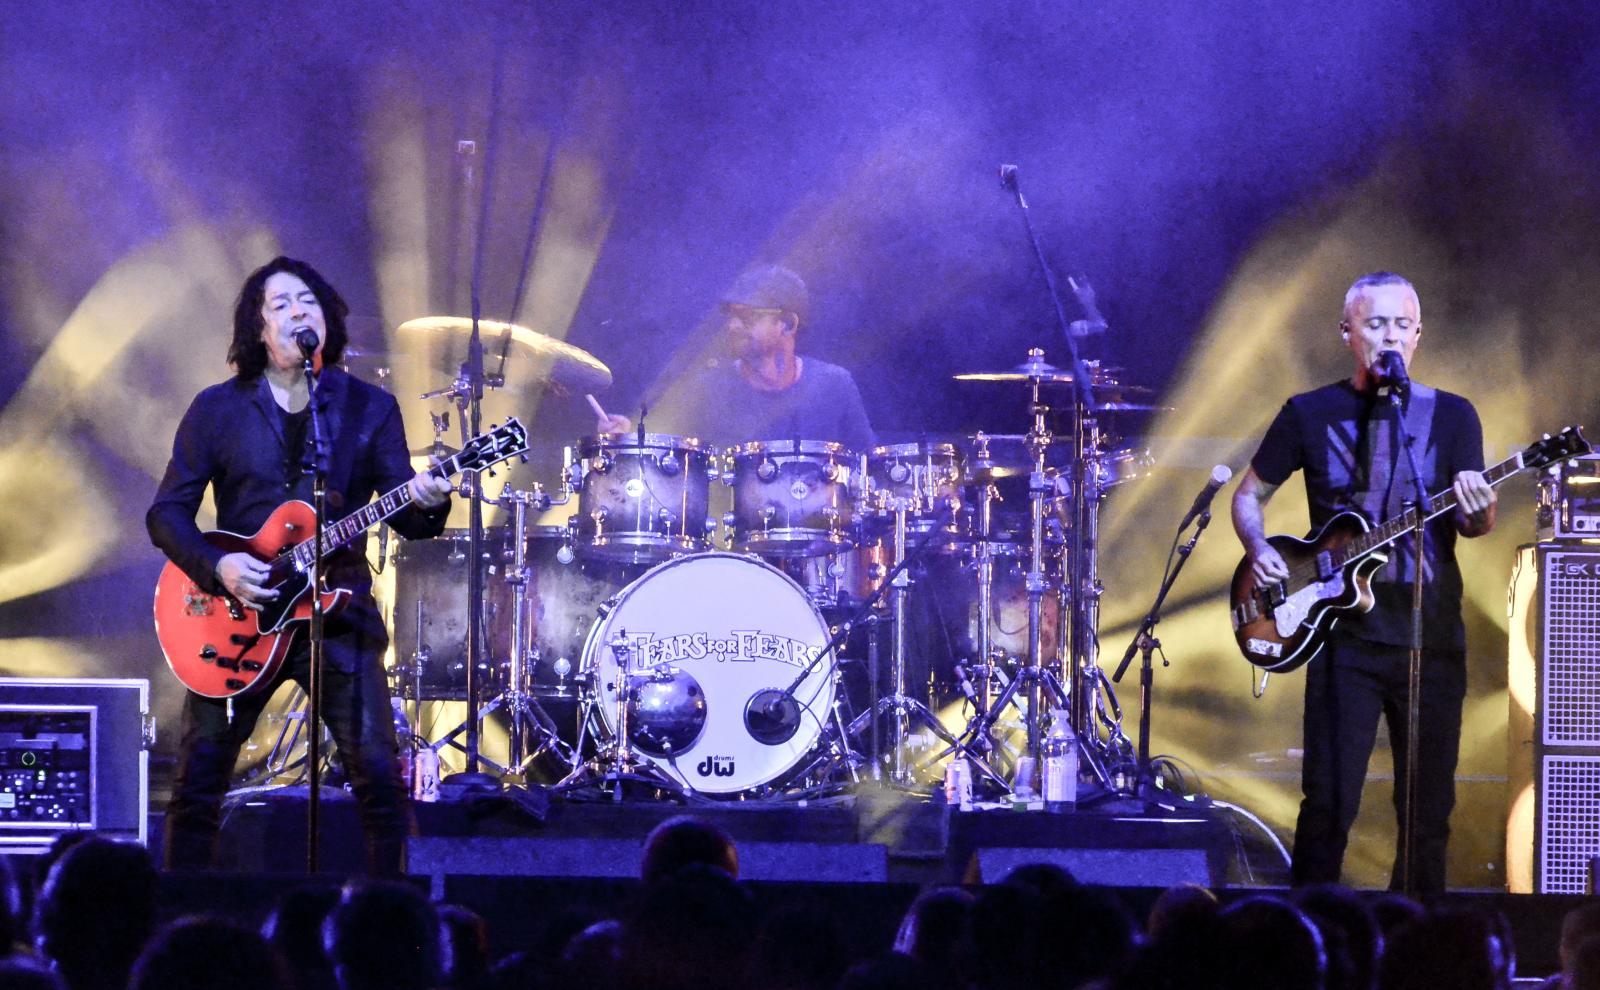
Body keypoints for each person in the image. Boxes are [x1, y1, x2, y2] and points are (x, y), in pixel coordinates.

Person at [147, 256, 453, 874]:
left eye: (308, 300)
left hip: (336, 611)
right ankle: (182, 926)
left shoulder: (370, 408)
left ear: (327, 319)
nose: (297, 312)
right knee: (199, 784)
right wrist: (218, 569)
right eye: (280, 303)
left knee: (378, 782)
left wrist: (431, 499)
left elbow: (409, 518)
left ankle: (388, 932)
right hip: (236, 618)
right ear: (257, 328)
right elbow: (167, 514)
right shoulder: (217, 409)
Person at [1231, 271, 1497, 895]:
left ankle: (1418, 947)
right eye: (1376, 323)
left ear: (1419, 336)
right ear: (1348, 331)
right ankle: (1313, 944)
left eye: (1403, 325)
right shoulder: (1308, 412)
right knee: (1327, 807)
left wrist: (1479, 507)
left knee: (1427, 816)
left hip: (1430, 640)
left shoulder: (1453, 416)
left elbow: (1476, 523)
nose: (1390, 337)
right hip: (1340, 638)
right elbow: (1249, 496)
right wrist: (1258, 546)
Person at [592, 264, 875, 451]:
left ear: (787, 324)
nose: (733, 326)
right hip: (730, 540)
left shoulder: (834, 385)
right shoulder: (707, 388)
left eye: (748, 317)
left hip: (825, 539)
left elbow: (869, 467)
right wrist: (629, 439)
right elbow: (666, 456)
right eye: (731, 315)